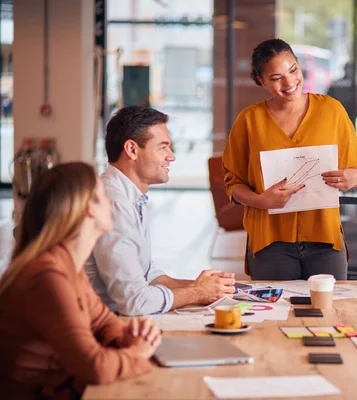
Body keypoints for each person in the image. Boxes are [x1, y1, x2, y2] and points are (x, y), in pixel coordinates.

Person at [0, 163, 161, 398]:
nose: (111, 201)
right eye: (103, 195)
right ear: (89, 209)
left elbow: (104, 321)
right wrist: (137, 352)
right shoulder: (47, 278)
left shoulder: (68, 266)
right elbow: (96, 367)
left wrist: (126, 338)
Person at [222, 38, 357, 280]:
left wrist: (350, 177)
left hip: (325, 239)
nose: (289, 82)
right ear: (261, 81)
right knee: (274, 315)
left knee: (330, 312)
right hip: (270, 242)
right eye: (276, 78)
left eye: (293, 70)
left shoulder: (332, 110)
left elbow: (355, 171)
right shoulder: (249, 121)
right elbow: (232, 184)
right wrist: (260, 200)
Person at [85, 106, 235, 316]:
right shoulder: (113, 203)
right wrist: (199, 293)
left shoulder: (130, 195)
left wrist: (203, 287)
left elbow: (146, 273)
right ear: (132, 150)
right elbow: (135, 301)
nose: (171, 157)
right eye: (163, 147)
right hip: (104, 325)